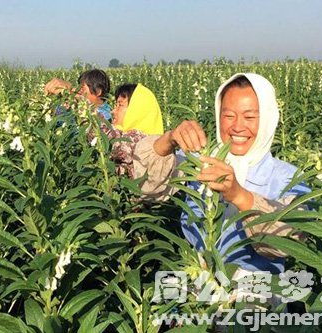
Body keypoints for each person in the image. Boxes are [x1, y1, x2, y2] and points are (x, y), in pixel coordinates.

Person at [132, 73, 310, 274]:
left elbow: (290, 241)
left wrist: (239, 195)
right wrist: (170, 139)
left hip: (255, 298)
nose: (237, 126)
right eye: (228, 115)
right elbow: (143, 185)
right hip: (196, 291)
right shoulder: (203, 162)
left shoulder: (289, 178)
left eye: (250, 117)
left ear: (268, 119)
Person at [88, 83, 164, 178]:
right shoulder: (123, 132)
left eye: (120, 105)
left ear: (137, 110)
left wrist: (89, 113)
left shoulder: (142, 140)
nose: (113, 111)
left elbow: (110, 144)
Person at [44, 69, 112, 121]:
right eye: (78, 87)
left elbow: (99, 128)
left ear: (98, 91)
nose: (79, 91)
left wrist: (70, 89)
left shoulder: (108, 114)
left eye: (82, 88)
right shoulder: (76, 108)